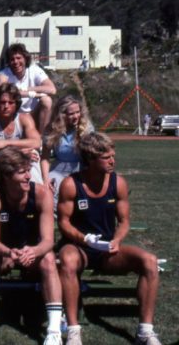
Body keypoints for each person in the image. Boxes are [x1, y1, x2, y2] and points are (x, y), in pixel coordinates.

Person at [57, 132, 161, 345]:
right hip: (80, 247)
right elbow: (64, 223)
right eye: (106, 157)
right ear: (91, 159)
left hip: (108, 249)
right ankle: (74, 330)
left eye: (113, 155)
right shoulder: (70, 184)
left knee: (149, 261)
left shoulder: (118, 183)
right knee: (67, 259)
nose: (113, 160)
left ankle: (145, 331)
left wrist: (116, 240)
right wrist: (84, 238)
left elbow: (124, 221)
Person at [0, 147, 62, 345]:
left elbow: (48, 240)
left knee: (49, 259)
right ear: (6, 175)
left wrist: (33, 251)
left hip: (33, 253)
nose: (28, 176)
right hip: (6, 253)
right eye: (22, 172)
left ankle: (54, 331)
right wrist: (9, 252)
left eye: (28, 170)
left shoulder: (41, 194)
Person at [0, 83, 43, 184]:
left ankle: (36, 191)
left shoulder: (24, 118)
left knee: (33, 153)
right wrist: (15, 152)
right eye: (2, 102)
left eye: (10, 102)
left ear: (16, 104)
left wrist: (5, 144)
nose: (6, 106)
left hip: (17, 160)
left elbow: (37, 142)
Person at [41, 96, 93, 207]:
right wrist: (45, 180)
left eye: (78, 112)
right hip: (59, 168)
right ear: (62, 114)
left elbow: (93, 156)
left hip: (81, 168)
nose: (76, 116)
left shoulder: (87, 128)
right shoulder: (51, 129)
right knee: (48, 191)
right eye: (71, 114)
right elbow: (45, 158)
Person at [0, 43, 56, 134]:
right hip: (14, 115)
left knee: (47, 101)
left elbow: (52, 89)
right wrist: (33, 94)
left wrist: (28, 89)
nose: (16, 62)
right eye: (12, 59)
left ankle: (41, 140)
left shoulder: (34, 70)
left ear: (25, 58)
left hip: (33, 114)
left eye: (18, 58)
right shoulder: (4, 73)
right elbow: (4, 90)